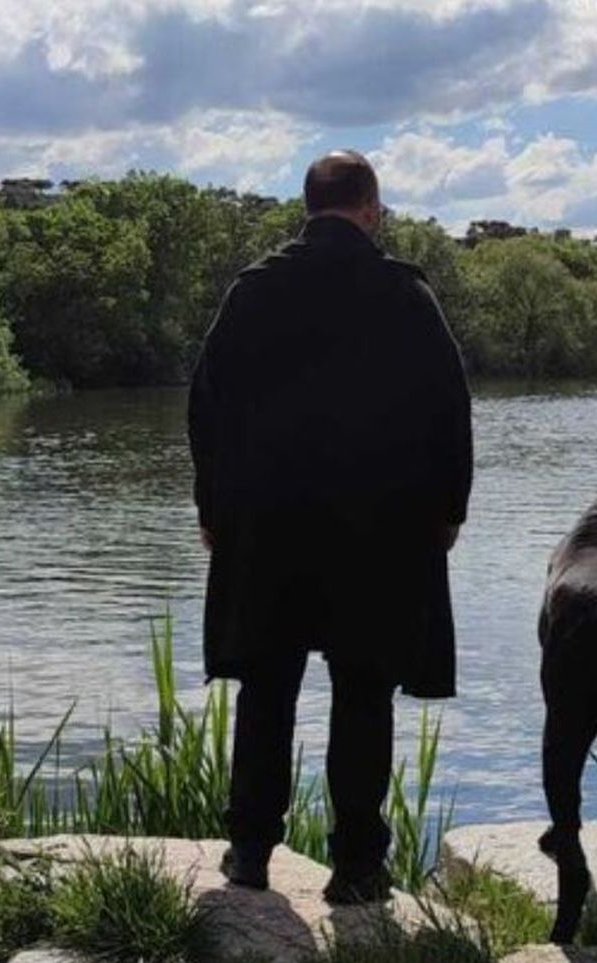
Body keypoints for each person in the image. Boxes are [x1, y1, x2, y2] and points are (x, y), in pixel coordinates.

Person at [187, 150, 473, 904]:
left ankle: (250, 853)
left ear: (306, 206)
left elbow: (205, 407)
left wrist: (212, 512)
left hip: (268, 532)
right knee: (363, 692)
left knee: (267, 689)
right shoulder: (403, 292)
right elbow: (450, 407)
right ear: (371, 208)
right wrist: (448, 512)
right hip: (376, 536)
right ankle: (356, 868)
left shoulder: (252, 292)